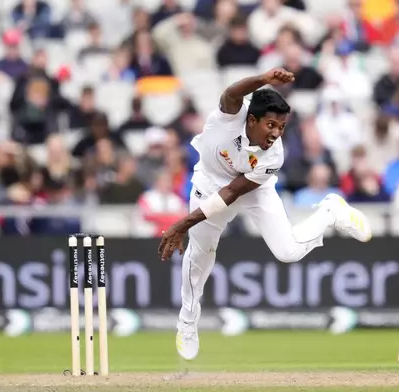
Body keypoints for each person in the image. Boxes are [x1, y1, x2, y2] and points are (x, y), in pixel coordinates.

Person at [157, 67, 372, 361]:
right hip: (208, 185)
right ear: (252, 118)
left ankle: (331, 212)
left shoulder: (274, 154)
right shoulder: (229, 116)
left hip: (251, 189)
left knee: (288, 252)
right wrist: (263, 80)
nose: (275, 133)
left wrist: (182, 222)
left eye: (281, 127)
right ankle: (188, 322)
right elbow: (232, 92)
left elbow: (232, 193)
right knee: (200, 254)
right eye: (271, 125)